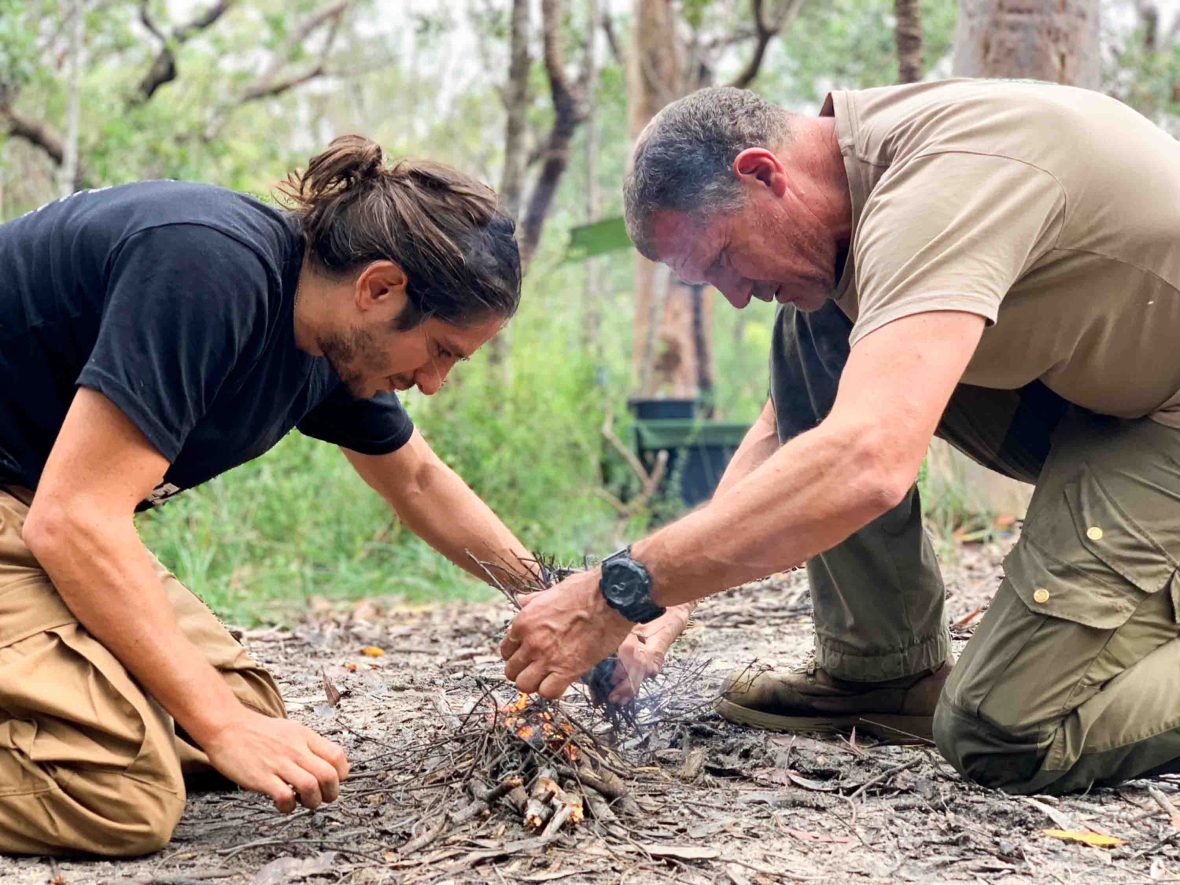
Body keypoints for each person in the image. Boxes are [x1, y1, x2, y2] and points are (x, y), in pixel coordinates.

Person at [502, 79, 1180, 796]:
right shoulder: (856, 189)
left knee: (1003, 728)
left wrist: (614, 591)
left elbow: (865, 460)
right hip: (1109, 386)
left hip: (1160, 417)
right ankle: (882, 674)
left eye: (726, 258)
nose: (734, 295)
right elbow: (786, 428)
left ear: (763, 173)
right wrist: (664, 606)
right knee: (815, 323)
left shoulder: (938, 189)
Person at [0, 134, 545, 856]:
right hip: (53, 511)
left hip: (38, 502)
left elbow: (417, 478)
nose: (436, 380)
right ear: (379, 288)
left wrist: (550, 596)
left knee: (246, 708)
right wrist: (222, 728)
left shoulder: (327, 344)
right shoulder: (207, 268)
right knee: (117, 791)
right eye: (441, 349)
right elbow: (76, 522)